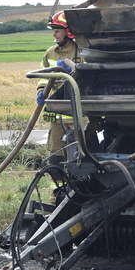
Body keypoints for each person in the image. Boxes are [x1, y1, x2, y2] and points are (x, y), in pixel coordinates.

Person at [36, 12, 82, 162]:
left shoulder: (82, 51)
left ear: (67, 32)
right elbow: (43, 77)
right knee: (56, 155)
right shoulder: (50, 53)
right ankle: (59, 184)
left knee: (80, 154)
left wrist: (74, 70)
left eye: (57, 31)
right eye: (53, 31)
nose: (54, 35)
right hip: (56, 116)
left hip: (78, 116)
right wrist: (42, 91)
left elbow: (90, 78)